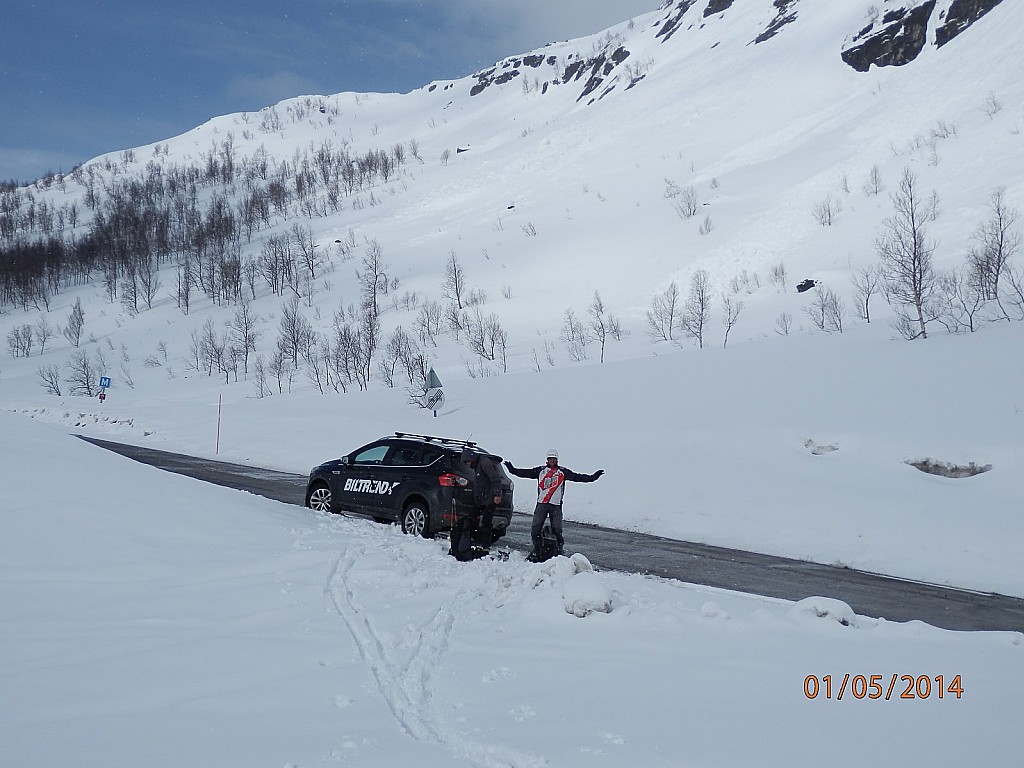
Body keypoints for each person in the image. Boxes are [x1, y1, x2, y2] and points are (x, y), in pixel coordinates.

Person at [504, 449, 603, 561]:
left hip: (556, 506)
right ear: (547, 460)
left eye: (554, 459)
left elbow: (578, 477)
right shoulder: (540, 471)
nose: (552, 461)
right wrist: (512, 470)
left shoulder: (563, 471)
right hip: (542, 504)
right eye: (550, 459)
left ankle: (559, 552)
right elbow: (525, 473)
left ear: (557, 460)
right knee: (535, 530)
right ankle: (537, 550)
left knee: (557, 531)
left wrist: (593, 477)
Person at [449, 450, 503, 561]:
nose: (467, 465)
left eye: (467, 462)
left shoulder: (484, 463)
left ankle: (486, 547)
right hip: (481, 500)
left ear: (471, 459)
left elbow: (495, 479)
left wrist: (497, 495)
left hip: (489, 499)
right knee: (471, 519)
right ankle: (470, 541)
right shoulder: (478, 465)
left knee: (486, 523)